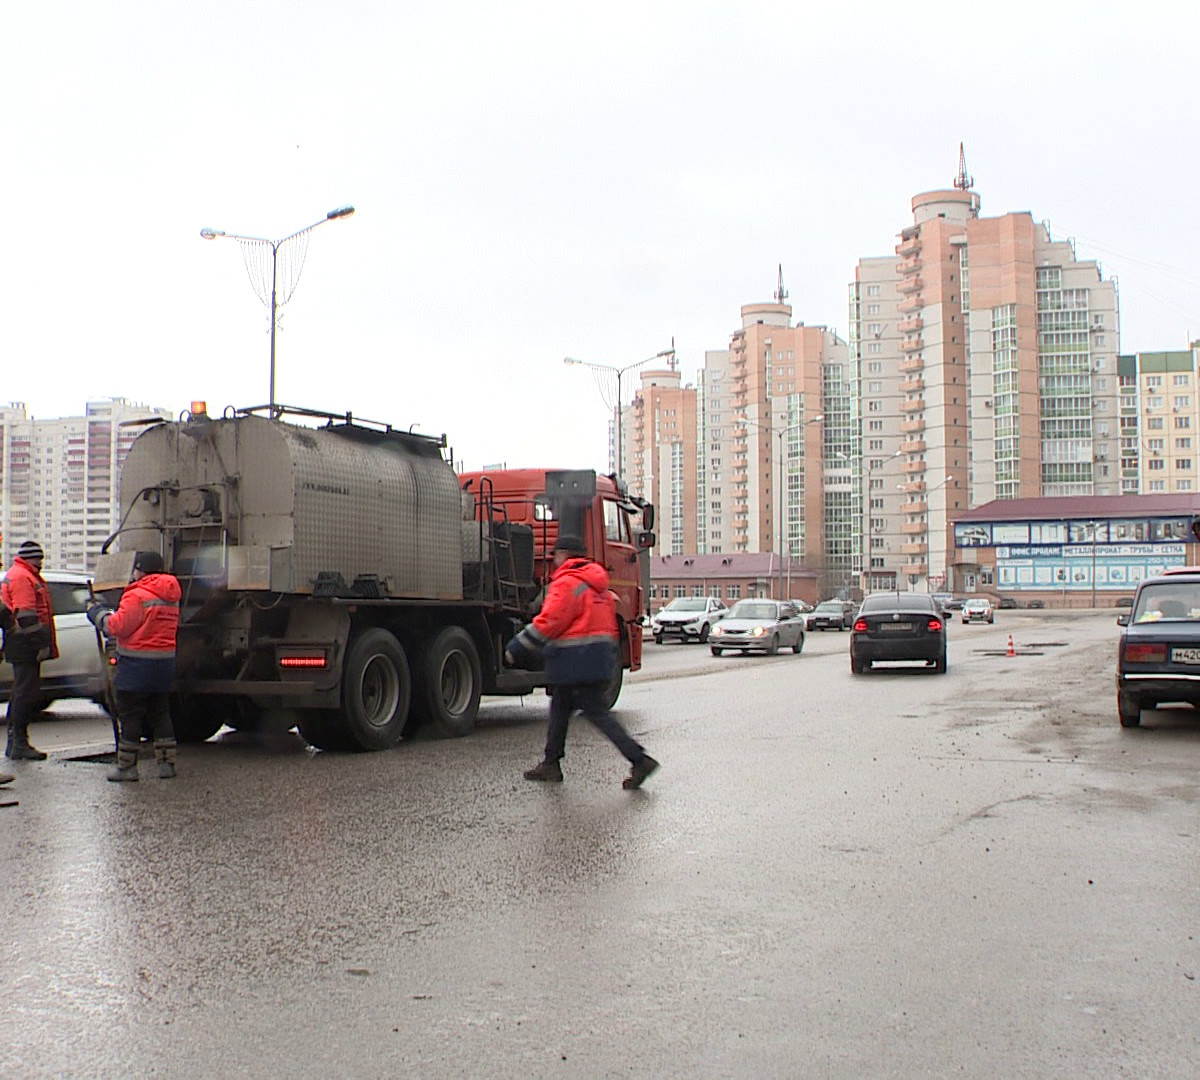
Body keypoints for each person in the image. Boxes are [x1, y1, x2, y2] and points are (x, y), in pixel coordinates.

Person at [507, 534, 659, 789]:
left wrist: (517, 646)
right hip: (593, 657)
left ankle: (639, 758)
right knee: (560, 709)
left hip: (575, 660)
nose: (554, 560)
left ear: (565, 555)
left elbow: (551, 621)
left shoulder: (568, 583)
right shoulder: (597, 584)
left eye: (556, 555)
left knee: (596, 713)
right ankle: (551, 763)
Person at [87, 551, 182, 782]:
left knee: (130, 716)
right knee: (160, 713)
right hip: (164, 664)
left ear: (140, 570)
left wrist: (96, 614)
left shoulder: (136, 595)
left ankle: (127, 767)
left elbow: (118, 627)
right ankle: (166, 764)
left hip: (136, 666)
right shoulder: (171, 594)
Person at [2, 540, 57, 761]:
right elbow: (25, 615)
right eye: (38, 559)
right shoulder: (23, 577)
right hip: (24, 643)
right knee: (25, 693)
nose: (41, 563)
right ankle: (19, 744)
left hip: (20, 641)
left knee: (21, 692)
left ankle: (15, 743)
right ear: (31, 558)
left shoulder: (23, 574)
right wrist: (40, 643)